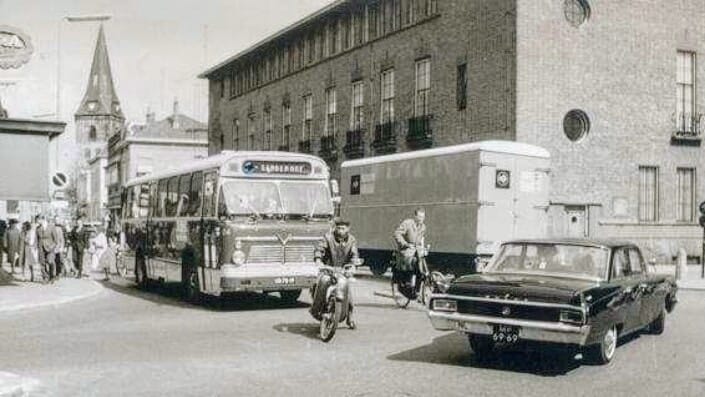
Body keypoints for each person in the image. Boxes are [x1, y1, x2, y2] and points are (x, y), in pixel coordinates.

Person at [312, 217, 360, 329]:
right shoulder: (328, 237)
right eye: (338, 228)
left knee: (349, 295)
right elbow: (319, 248)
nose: (340, 231)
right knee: (323, 282)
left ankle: (349, 318)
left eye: (343, 228)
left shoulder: (352, 240)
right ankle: (315, 310)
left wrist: (353, 266)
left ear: (348, 229)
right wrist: (319, 260)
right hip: (328, 269)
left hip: (343, 271)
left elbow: (354, 255)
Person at [392, 208, 427, 297]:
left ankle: (417, 291)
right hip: (406, 249)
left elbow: (421, 239)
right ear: (415, 216)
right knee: (410, 261)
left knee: (421, 269)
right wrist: (405, 244)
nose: (421, 219)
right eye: (419, 216)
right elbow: (397, 234)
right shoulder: (408, 223)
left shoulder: (423, 227)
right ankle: (406, 284)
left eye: (422, 217)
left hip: (416, 249)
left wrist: (423, 248)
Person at [36, 215, 60, 283]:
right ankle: (45, 277)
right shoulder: (38, 228)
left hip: (50, 247)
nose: (37, 222)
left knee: (50, 261)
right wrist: (36, 247)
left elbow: (56, 240)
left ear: (42, 219)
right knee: (42, 263)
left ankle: (52, 276)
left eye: (38, 220)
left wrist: (52, 247)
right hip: (41, 247)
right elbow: (37, 239)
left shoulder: (51, 227)